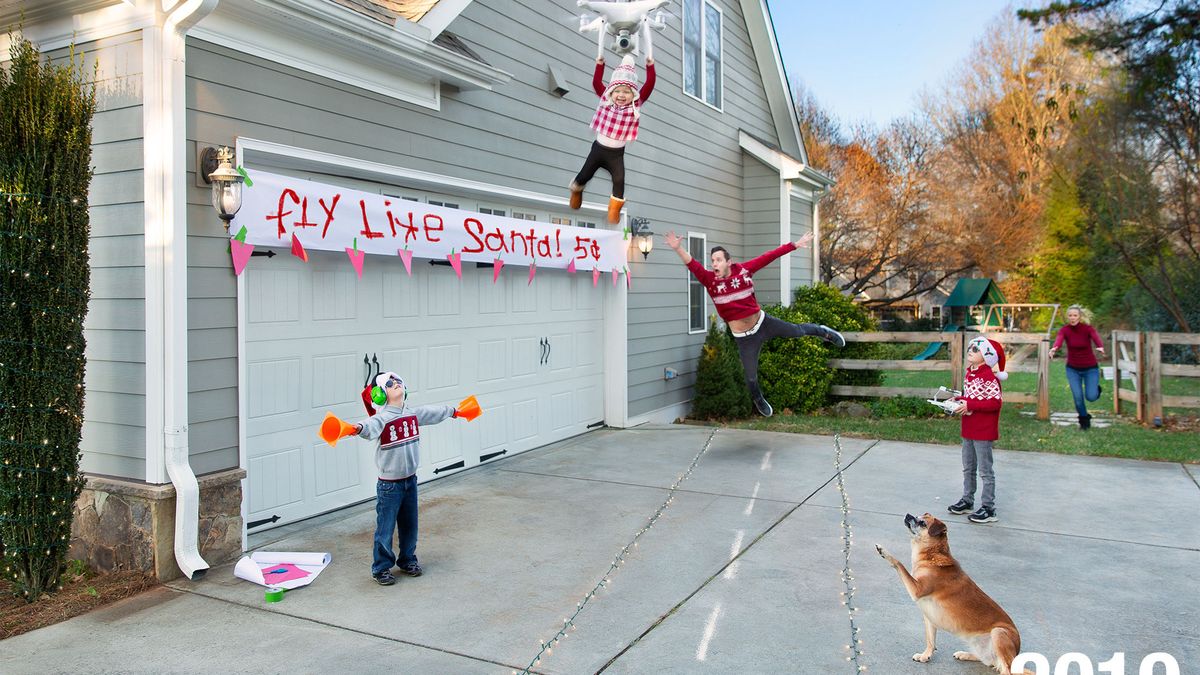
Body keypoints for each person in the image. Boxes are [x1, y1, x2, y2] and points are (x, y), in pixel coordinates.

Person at [664, 230, 846, 417]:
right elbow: (692, 264)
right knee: (750, 376)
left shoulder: (744, 270)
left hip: (763, 322)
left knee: (797, 331)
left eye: (718, 260)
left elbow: (769, 256)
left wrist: (795, 245)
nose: (714, 264)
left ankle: (824, 332)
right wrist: (678, 248)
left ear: (729, 262)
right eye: (712, 261)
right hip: (744, 339)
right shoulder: (710, 280)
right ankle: (758, 399)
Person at [353, 371, 460, 586]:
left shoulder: (412, 414)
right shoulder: (381, 419)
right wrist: (357, 428)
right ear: (380, 394)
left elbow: (432, 412)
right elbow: (369, 427)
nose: (396, 384)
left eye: (398, 381)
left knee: (410, 525)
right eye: (390, 383)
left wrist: (454, 411)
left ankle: (408, 559)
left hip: (410, 481)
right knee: (385, 527)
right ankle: (381, 568)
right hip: (389, 486)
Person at [568, 23, 656, 224]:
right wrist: (600, 64)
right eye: (618, 91)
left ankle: (614, 210)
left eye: (626, 92)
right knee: (583, 175)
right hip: (598, 149)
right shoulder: (605, 99)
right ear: (612, 92)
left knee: (619, 182)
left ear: (632, 94)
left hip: (616, 155)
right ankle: (576, 192)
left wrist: (650, 66)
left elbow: (649, 85)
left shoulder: (636, 104)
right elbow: (596, 84)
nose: (621, 96)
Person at [946, 337, 1007, 524]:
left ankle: (989, 508)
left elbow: (995, 402)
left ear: (987, 356)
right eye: (970, 347)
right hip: (969, 428)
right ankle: (967, 500)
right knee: (968, 467)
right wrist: (959, 400)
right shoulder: (970, 373)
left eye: (976, 349)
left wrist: (970, 403)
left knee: (985, 471)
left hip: (983, 430)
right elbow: (971, 397)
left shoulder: (988, 376)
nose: (970, 350)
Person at [1050, 304, 1105, 430]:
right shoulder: (1065, 330)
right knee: (1078, 397)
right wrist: (1054, 348)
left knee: (1091, 397)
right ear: (1068, 317)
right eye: (1070, 315)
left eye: (1075, 315)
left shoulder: (1087, 329)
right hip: (1073, 369)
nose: (1072, 318)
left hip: (1090, 368)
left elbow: (1095, 337)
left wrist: (1100, 346)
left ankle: (1096, 390)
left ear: (1079, 317)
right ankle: (1084, 421)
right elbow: (1059, 339)